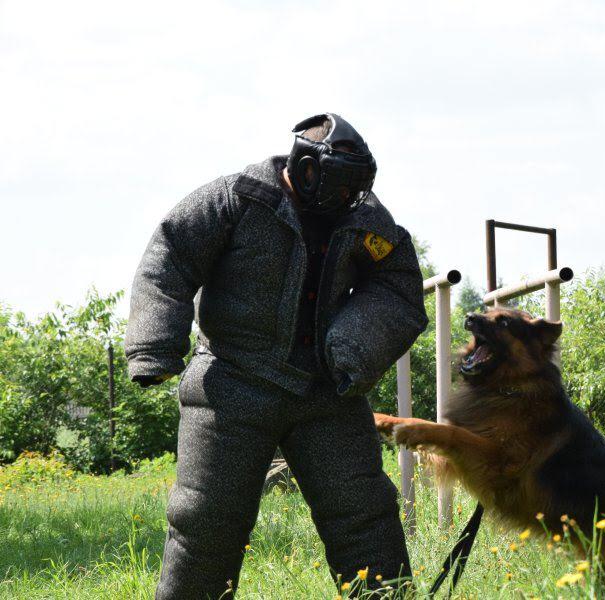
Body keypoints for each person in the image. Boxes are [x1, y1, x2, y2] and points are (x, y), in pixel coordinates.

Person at [125, 113, 428, 598]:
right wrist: (153, 347)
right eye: (344, 186)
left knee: (366, 518)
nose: (352, 199)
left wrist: (356, 345)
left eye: (359, 187)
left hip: (327, 390)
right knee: (206, 521)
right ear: (306, 167)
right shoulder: (237, 199)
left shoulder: (363, 217)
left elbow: (397, 283)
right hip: (230, 383)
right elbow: (170, 256)